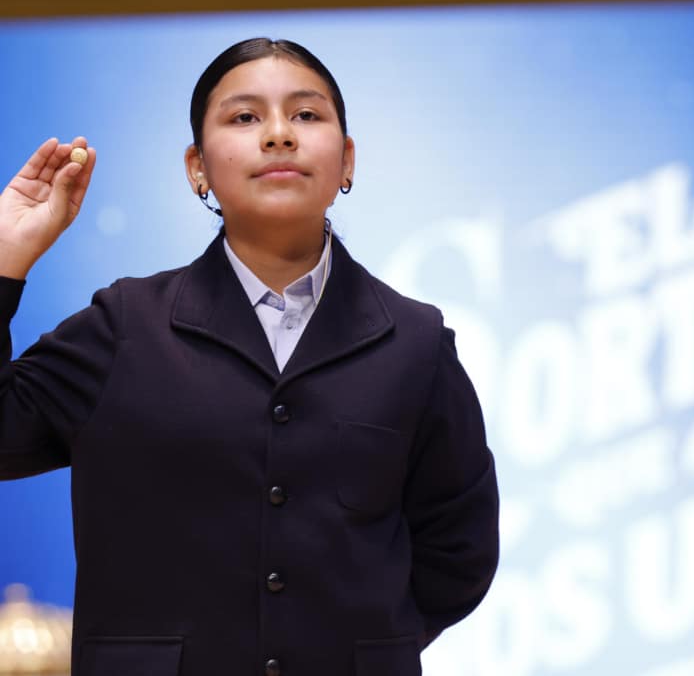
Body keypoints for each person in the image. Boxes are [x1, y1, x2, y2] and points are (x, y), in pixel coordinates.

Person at [0, 38, 499, 676]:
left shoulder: (417, 341)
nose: (278, 135)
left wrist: (364, 644)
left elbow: (460, 549)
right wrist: (7, 258)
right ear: (197, 168)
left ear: (346, 161)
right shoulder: (123, 326)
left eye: (307, 115)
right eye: (243, 117)